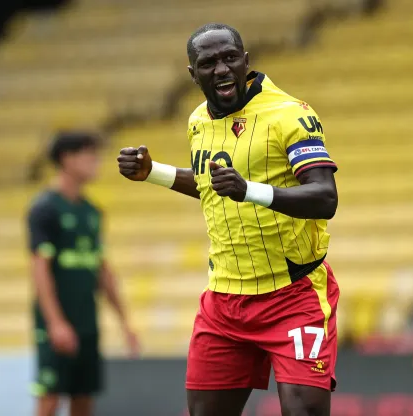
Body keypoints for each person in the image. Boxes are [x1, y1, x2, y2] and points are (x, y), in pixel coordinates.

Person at [117, 23, 340, 416]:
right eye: (208, 63)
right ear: (192, 74)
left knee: (303, 411)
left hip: (292, 294)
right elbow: (212, 184)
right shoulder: (198, 121)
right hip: (224, 299)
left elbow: (325, 197)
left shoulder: (290, 114)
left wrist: (248, 190)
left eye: (230, 58)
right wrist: (153, 173)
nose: (221, 69)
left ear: (246, 61)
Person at [27, 132, 139, 416]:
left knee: (84, 399)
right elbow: (39, 270)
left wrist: (125, 321)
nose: (96, 162)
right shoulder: (45, 209)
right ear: (67, 159)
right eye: (89, 155)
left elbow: (102, 269)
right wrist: (55, 323)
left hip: (87, 321)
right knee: (50, 399)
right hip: (56, 324)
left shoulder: (92, 212)